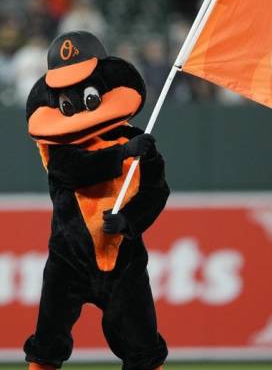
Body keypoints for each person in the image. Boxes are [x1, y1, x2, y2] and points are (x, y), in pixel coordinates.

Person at [24, 31, 168, 370]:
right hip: (69, 261)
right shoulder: (56, 148)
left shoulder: (138, 142)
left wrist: (130, 221)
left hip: (124, 262)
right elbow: (72, 171)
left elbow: (156, 192)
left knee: (142, 344)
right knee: (48, 340)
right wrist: (121, 155)